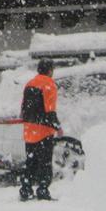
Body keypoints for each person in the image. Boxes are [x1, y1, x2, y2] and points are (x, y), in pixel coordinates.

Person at [19, 58, 62, 201]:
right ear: (50, 70)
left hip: (29, 130)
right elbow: (50, 110)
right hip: (43, 131)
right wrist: (57, 126)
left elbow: (23, 108)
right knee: (45, 163)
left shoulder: (29, 83)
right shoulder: (49, 85)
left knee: (30, 161)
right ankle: (43, 189)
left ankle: (25, 189)